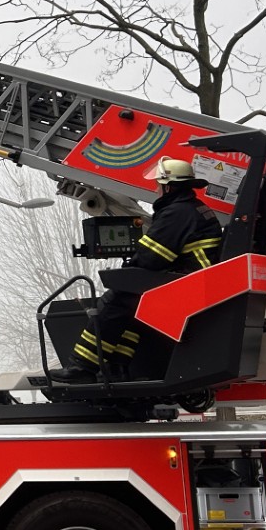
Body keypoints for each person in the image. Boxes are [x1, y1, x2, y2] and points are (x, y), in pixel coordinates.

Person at [69, 157, 224, 382]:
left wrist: (128, 270)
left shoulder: (177, 213)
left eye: (158, 184)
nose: (155, 189)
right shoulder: (191, 208)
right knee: (136, 305)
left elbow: (152, 257)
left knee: (115, 301)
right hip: (197, 281)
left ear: (168, 187)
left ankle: (83, 367)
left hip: (190, 283)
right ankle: (118, 367)